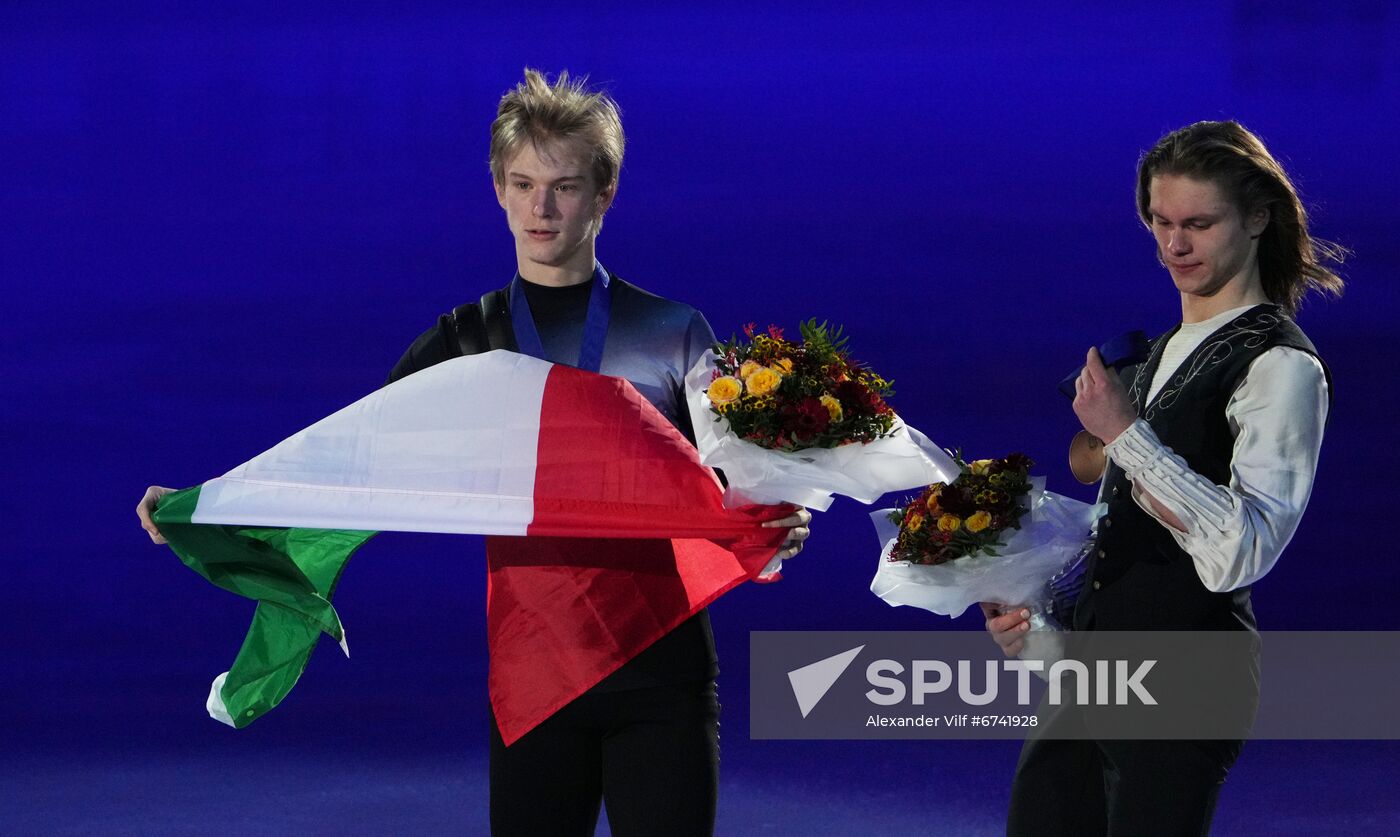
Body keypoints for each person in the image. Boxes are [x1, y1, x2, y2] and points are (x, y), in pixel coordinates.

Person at [138, 68, 810, 837]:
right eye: (523, 184)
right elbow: (349, 462)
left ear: (605, 193)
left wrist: (775, 519)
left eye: (564, 186)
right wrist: (209, 505)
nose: (541, 208)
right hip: (534, 680)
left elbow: (736, 484)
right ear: (498, 189)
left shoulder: (674, 333)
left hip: (665, 673)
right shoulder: (463, 344)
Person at [982, 120, 1344, 835]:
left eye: (1199, 224)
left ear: (1258, 218)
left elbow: (1242, 549)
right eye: (1161, 221)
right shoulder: (1158, 353)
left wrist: (1125, 434)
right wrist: (1035, 609)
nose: (1175, 245)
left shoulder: (1281, 367)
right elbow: (1125, 524)